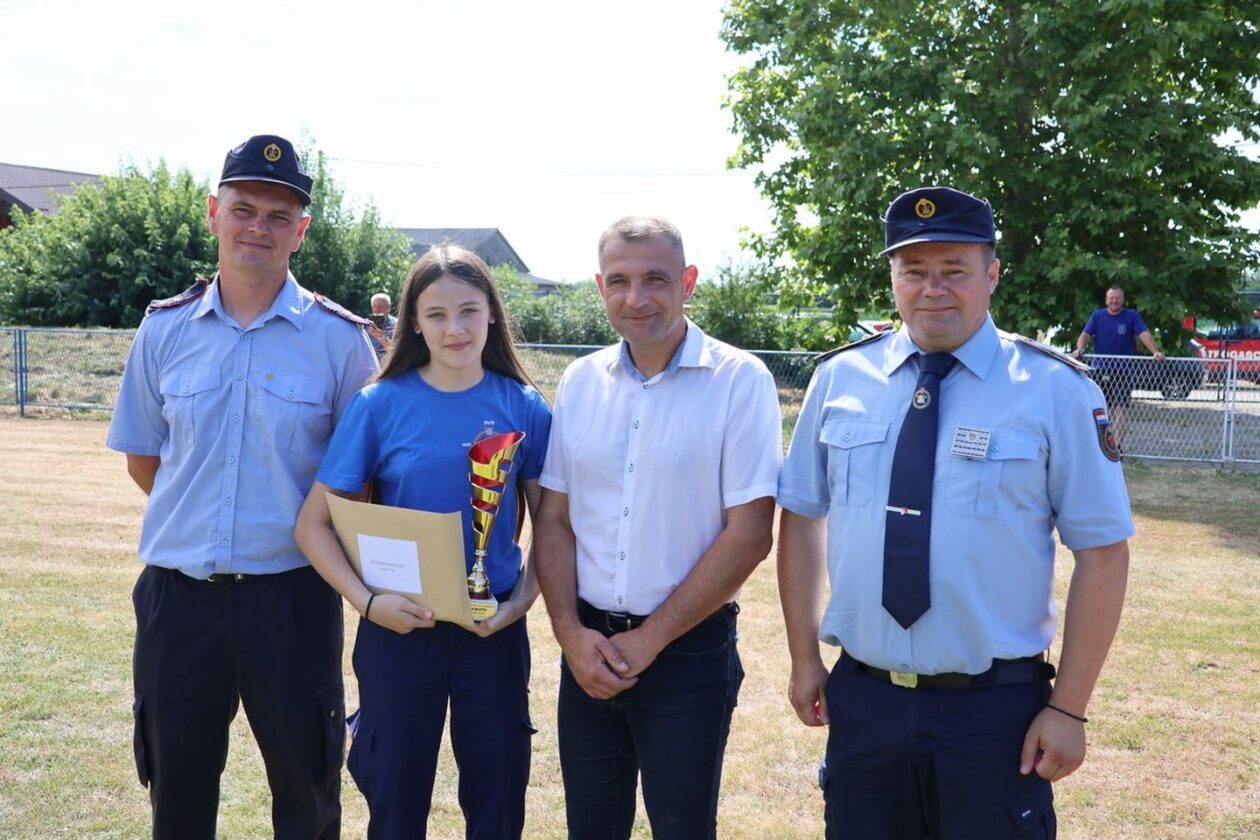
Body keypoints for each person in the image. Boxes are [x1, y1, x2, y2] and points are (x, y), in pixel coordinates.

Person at [777, 186, 1133, 839]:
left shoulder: (1054, 389)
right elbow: (801, 517)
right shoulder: (839, 381)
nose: (932, 288)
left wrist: (1071, 709)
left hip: (995, 714)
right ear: (893, 276)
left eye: (954, 271)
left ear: (992, 274)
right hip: (865, 702)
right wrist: (804, 657)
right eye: (914, 270)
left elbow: (1104, 551)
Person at [105, 134, 379, 839]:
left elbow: (361, 484)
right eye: (244, 208)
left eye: (278, 216)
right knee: (178, 793)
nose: (259, 226)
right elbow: (145, 461)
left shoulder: (341, 342)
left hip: (292, 600)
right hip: (178, 601)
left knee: (308, 795)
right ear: (213, 213)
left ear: (302, 230)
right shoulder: (163, 330)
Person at [533, 216, 782, 839]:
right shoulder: (579, 382)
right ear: (599, 287)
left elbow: (751, 533)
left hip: (686, 655)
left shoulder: (739, 381)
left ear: (687, 281)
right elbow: (555, 518)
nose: (635, 298)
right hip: (587, 650)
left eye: (655, 279)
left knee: (682, 829)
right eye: (618, 281)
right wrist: (568, 633)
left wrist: (649, 639)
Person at [294, 244, 551, 840]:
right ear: (412, 320)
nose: (454, 328)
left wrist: (521, 603)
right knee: (396, 804)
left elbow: (552, 525)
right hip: (399, 633)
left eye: (468, 310)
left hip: (492, 633)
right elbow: (313, 526)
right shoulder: (379, 405)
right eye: (436, 314)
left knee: (497, 802)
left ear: (492, 314)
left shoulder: (526, 407)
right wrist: (368, 602)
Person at [1073, 286, 1165, 449]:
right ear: (1106, 300)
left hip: (1124, 370)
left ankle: (1115, 446)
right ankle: (1098, 444)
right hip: (1100, 369)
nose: (1114, 301)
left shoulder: (1131, 316)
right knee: (1099, 407)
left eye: (1117, 298)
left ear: (1123, 300)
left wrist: (1155, 351)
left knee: (1122, 407)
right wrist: (1079, 349)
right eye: (1111, 298)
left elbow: (1144, 333)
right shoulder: (1097, 315)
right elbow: (1085, 335)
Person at [366, 292, 397, 357]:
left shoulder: (396, 325)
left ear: (389, 307)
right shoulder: (365, 324)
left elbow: (396, 351)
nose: (377, 310)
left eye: (380, 307)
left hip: (388, 364)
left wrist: (380, 336)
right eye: (374, 306)